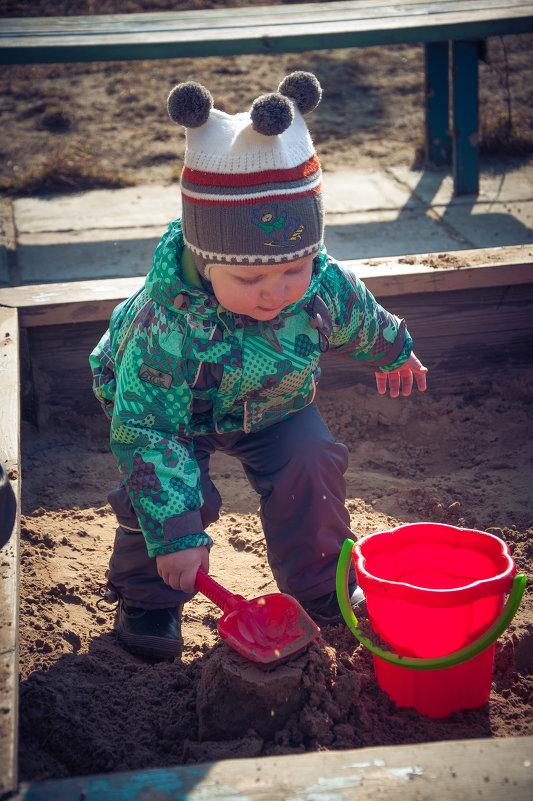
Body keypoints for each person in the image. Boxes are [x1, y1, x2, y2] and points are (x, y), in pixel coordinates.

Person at [90, 71, 427, 661]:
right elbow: (144, 432)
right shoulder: (165, 325)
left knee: (311, 461)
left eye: (295, 269)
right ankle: (147, 596)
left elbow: (357, 313)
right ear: (204, 259)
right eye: (250, 279)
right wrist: (177, 536)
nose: (277, 292)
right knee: (169, 493)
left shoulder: (315, 279)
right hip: (168, 416)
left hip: (273, 401)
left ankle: (323, 584)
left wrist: (394, 350)